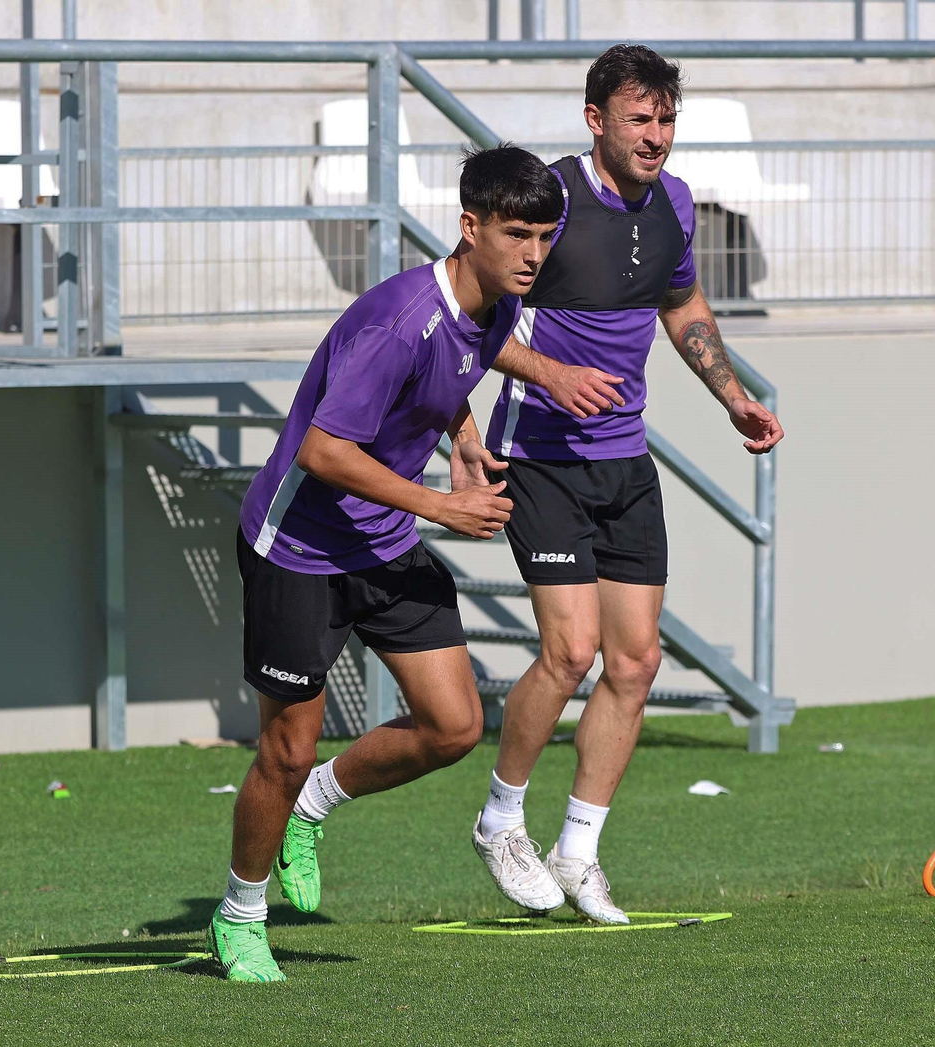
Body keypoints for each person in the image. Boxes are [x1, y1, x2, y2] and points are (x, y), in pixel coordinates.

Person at [209, 145, 627, 983]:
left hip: (384, 539)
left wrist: (463, 440)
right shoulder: (397, 320)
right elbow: (326, 450)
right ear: (469, 228)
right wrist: (441, 502)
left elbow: (457, 368)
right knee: (284, 749)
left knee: (455, 726)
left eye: (546, 234)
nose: (535, 253)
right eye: (518, 234)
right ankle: (239, 914)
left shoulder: (500, 299)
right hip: (301, 547)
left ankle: (314, 807)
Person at [471, 45, 786, 924]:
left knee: (637, 661)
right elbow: (471, 322)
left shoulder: (676, 203)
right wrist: (550, 374)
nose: (657, 135)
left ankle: (579, 851)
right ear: (596, 120)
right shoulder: (550, 201)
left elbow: (682, 307)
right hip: (542, 451)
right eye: (640, 118)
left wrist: (733, 397)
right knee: (570, 652)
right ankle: (500, 819)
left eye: (667, 119)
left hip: (622, 458)